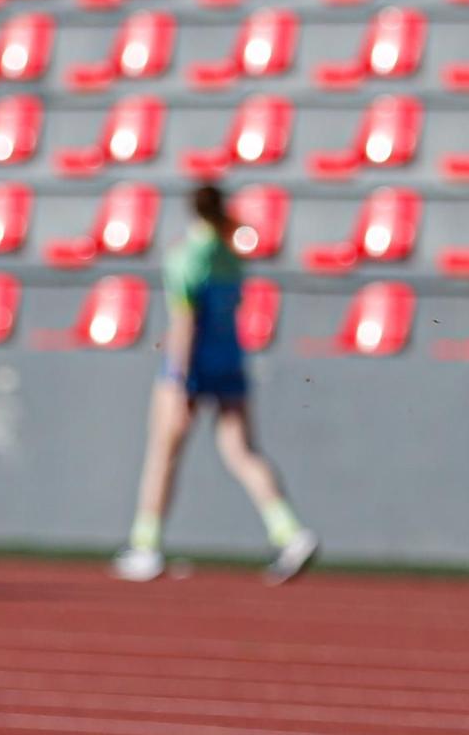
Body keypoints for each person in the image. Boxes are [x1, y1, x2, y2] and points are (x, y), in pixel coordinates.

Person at [112, 184, 318, 585]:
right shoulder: (231, 254)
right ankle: (289, 532)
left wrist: (178, 379)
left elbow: (186, 323)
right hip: (230, 360)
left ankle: (145, 543)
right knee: (242, 450)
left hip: (195, 363)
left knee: (163, 451)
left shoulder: (186, 256)